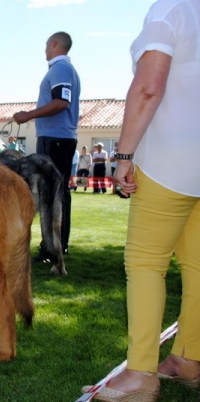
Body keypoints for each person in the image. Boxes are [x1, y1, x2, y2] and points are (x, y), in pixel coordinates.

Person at [81, 1, 200, 400]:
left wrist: (124, 155)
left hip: (170, 160)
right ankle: (188, 358)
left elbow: (149, 86)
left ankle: (141, 372)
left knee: (146, 263)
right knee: (198, 265)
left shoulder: (171, 10)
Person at [13, 31, 80, 255]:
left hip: (56, 139)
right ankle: (53, 247)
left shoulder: (61, 68)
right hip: (57, 138)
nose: (44, 49)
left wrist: (29, 115)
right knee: (54, 193)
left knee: (55, 193)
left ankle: (55, 248)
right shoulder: (63, 69)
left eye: (46, 45)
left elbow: (62, 102)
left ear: (54, 44)